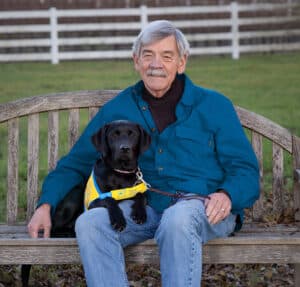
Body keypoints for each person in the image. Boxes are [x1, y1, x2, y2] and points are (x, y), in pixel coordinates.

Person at [28, 20, 259, 286]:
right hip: (146, 210)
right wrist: (45, 205)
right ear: (136, 60)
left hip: (205, 209)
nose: (155, 64)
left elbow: (245, 169)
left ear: (181, 62)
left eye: (166, 56)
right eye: (147, 55)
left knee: (178, 218)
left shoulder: (214, 105)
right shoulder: (118, 109)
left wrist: (227, 194)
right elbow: (75, 164)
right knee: (91, 223)